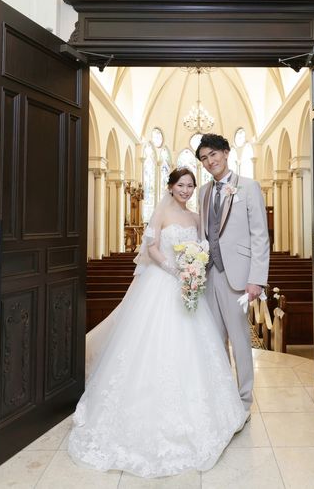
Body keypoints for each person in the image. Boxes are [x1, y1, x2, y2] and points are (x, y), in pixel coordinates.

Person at [68, 168, 245, 478]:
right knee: (151, 344)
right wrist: (173, 270)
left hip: (188, 285)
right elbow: (151, 247)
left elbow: (202, 247)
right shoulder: (160, 213)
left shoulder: (195, 218)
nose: (186, 190)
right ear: (170, 186)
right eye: (181, 185)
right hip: (162, 282)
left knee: (195, 346)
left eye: (191, 186)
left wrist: (193, 267)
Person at [195, 133, 270, 420]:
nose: (209, 161)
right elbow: (204, 232)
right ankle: (224, 397)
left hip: (238, 276)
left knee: (240, 340)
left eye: (213, 154)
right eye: (204, 158)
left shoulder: (248, 187)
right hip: (209, 274)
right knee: (215, 340)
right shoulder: (203, 192)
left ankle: (244, 400)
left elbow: (260, 235)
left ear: (226, 153)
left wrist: (256, 279)